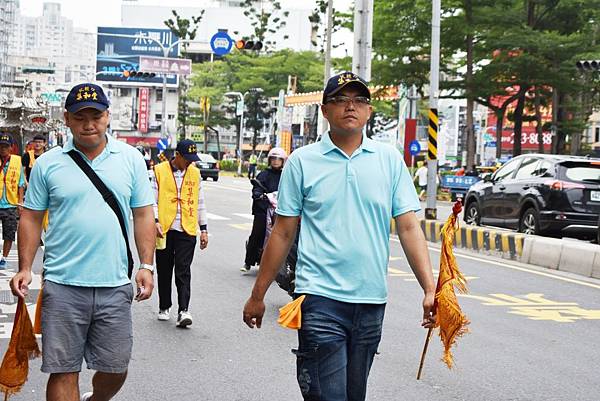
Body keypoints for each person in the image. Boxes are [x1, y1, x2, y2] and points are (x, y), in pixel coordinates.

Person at [242, 71, 436, 401]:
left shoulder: (388, 160)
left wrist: (430, 288)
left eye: (359, 100)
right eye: (340, 100)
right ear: (325, 111)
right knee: (329, 395)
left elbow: (408, 227)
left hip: (371, 301)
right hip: (319, 298)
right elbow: (283, 231)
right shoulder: (303, 161)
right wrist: (258, 294)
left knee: (353, 395)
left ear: (369, 111)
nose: (351, 107)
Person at [9, 83, 156, 401]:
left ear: (107, 116)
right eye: (80, 117)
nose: (89, 124)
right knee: (63, 369)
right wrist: (24, 268)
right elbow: (32, 218)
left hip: (114, 284)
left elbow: (144, 215)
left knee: (116, 368)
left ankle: (97, 398)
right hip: (62, 285)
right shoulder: (49, 164)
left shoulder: (130, 159)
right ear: (67, 119)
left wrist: (146, 264)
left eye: (96, 115)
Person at [151, 139, 209, 327]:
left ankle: (184, 310)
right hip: (165, 229)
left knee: (183, 270)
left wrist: (204, 228)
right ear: (178, 155)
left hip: (187, 228)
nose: (190, 163)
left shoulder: (195, 173)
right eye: (187, 159)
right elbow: (152, 199)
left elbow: (200, 202)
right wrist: (156, 221)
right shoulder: (159, 171)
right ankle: (164, 306)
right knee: (165, 269)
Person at [241, 147, 287, 273]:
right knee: (257, 233)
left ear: (283, 161)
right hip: (263, 210)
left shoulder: (286, 175)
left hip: (280, 211)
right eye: (273, 158)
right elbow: (257, 187)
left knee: (287, 237)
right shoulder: (263, 174)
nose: (276, 161)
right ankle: (248, 262)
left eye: (279, 159)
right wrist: (259, 195)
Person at [0, 133, 25, 270]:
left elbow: (21, 183)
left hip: (10, 204)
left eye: (6, 147)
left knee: (9, 233)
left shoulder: (17, 161)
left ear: (11, 148)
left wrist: (20, 202)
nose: (3, 149)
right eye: (1, 146)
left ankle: (4, 258)